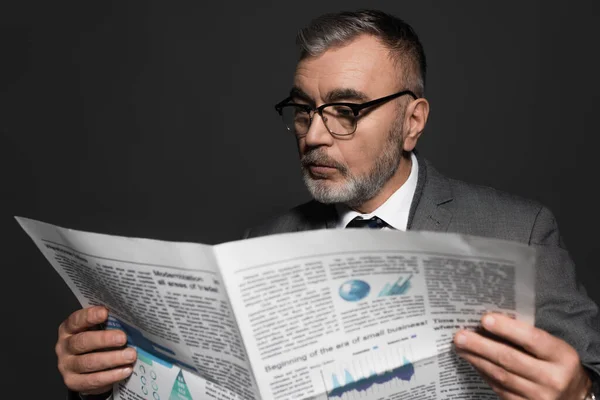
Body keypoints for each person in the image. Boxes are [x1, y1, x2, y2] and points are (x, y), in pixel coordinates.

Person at [57, 9, 600, 400]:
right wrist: (104, 384)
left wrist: (579, 395)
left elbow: (589, 370)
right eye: (302, 109)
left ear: (413, 121)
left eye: (345, 110)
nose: (313, 134)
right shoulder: (258, 245)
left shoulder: (519, 229)